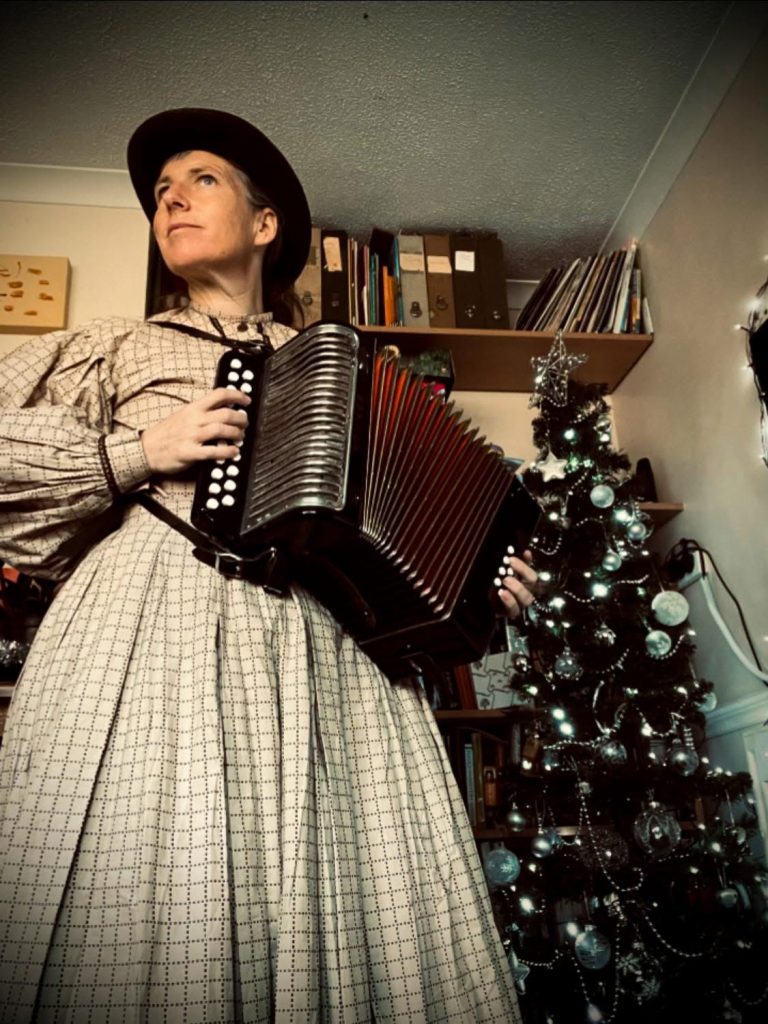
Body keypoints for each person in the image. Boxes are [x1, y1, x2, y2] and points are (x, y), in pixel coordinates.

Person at [0, 108, 537, 1023]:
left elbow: (409, 542)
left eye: (200, 180)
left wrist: (486, 584)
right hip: (152, 626)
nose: (170, 197)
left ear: (265, 224)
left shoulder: (348, 375)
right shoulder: (116, 345)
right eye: (160, 191)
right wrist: (139, 449)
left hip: (322, 655)